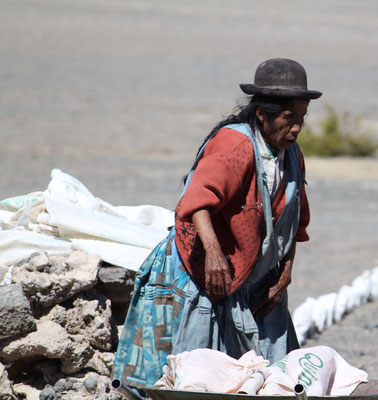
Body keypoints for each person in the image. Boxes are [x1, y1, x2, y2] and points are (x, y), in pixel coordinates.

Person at [112, 58, 322, 389]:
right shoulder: (235, 145)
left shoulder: (291, 154)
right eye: (288, 118)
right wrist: (212, 252)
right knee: (189, 372)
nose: (296, 128)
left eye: (301, 119)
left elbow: (293, 219)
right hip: (199, 272)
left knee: (268, 376)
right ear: (262, 114)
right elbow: (196, 201)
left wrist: (286, 269)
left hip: (253, 280)